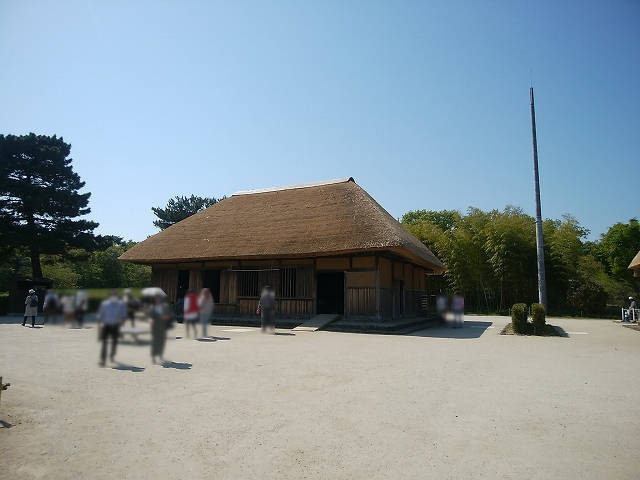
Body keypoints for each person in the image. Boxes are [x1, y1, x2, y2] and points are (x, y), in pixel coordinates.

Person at [97, 289, 126, 367]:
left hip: (116, 326)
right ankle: (103, 360)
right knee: (104, 343)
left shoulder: (121, 304)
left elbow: (123, 315)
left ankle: (112, 355)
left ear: (117, 296)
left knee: (114, 342)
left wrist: (121, 324)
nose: (113, 296)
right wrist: (99, 325)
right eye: (111, 295)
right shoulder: (104, 304)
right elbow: (100, 315)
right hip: (106, 325)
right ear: (109, 296)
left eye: (114, 295)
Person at [150, 293, 172, 364]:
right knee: (155, 341)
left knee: (162, 341)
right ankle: (153, 355)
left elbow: (169, 316)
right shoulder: (153, 307)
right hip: (155, 326)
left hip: (163, 325)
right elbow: (152, 318)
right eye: (157, 298)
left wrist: (165, 317)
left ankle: (160, 355)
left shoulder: (165, 306)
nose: (158, 300)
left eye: (159, 298)